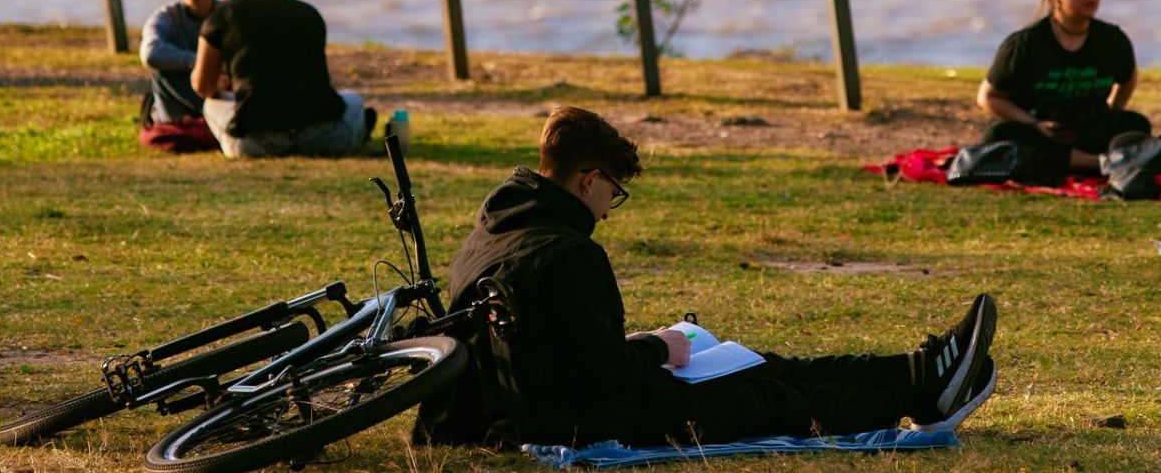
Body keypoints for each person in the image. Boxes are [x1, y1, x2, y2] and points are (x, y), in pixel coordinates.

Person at [415, 106, 998, 448]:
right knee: (767, 394)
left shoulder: (493, 229)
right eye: (613, 194)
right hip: (582, 418)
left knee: (762, 364)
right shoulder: (567, 254)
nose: (608, 210)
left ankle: (923, 372)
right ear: (588, 180)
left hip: (541, 397)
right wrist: (657, 346)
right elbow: (602, 376)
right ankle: (922, 390)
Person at [976, 0, 1150, 178]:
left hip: (1087, 129)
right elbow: (989, 97)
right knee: (998, 134)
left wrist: (1111, 111)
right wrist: (1036, 124)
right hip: (1041, 130)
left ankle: (1069, 161)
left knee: (1137, 125)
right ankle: (1099, 163)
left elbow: (1128, 79)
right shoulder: (1025, 43)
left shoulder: (1113, 39)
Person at [190, 0, 374, 159]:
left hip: (253, 142)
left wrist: (223, 87)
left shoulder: (222, 15)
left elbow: (202, 87)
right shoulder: (309, 13)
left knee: (211, 104)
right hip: (324, 136)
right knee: (353, 99)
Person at [137, 0, 223, 152]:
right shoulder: (165, 17)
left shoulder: (227, 15)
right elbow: (150, 54)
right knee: (163, 69)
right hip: (178, 106)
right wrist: (202, 64)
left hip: (220, 91)